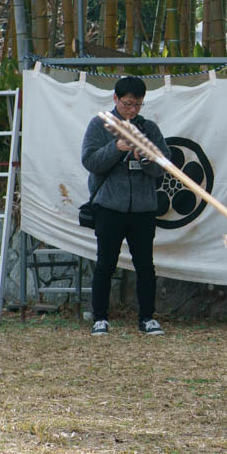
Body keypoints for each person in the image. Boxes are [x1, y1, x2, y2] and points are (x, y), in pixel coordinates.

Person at [79, 76, 170, 336]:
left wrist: (144, 158)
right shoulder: (99, 124)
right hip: (108, 206)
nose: (132, 110)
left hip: (143, 208)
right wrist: (117, 147)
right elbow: (90, 161)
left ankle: (147, 318)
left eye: (138, 105)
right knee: (105, 263)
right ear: (115, 99)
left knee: (145, 265)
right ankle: (100, 318)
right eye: (128, 103)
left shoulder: (149, 128)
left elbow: (163, 166)